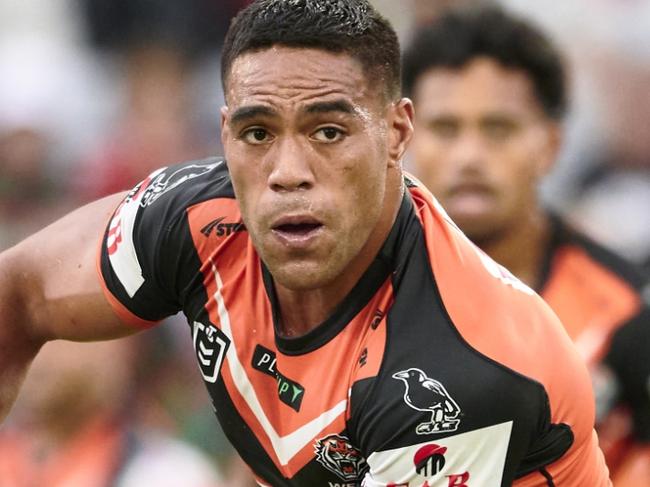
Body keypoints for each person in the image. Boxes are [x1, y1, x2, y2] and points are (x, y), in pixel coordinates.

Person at [0, 1, 610, 485]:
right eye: (258, 132)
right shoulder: (190, 218)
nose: (287, 170)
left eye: (328, 131)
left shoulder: (463, 367)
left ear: (398, 132)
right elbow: (16, 294)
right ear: (223, 133)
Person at [403, 5, 650, 486]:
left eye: (499, 129)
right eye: (446, 128)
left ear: (551, 145)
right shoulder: (346, 295)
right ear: (403, 139)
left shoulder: (625, 311)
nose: (469, 157)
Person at [0, 337, 224, 487]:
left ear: (118, 347)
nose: (40, 356)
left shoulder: (172, 475)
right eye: (31, 335)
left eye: (57, 337)